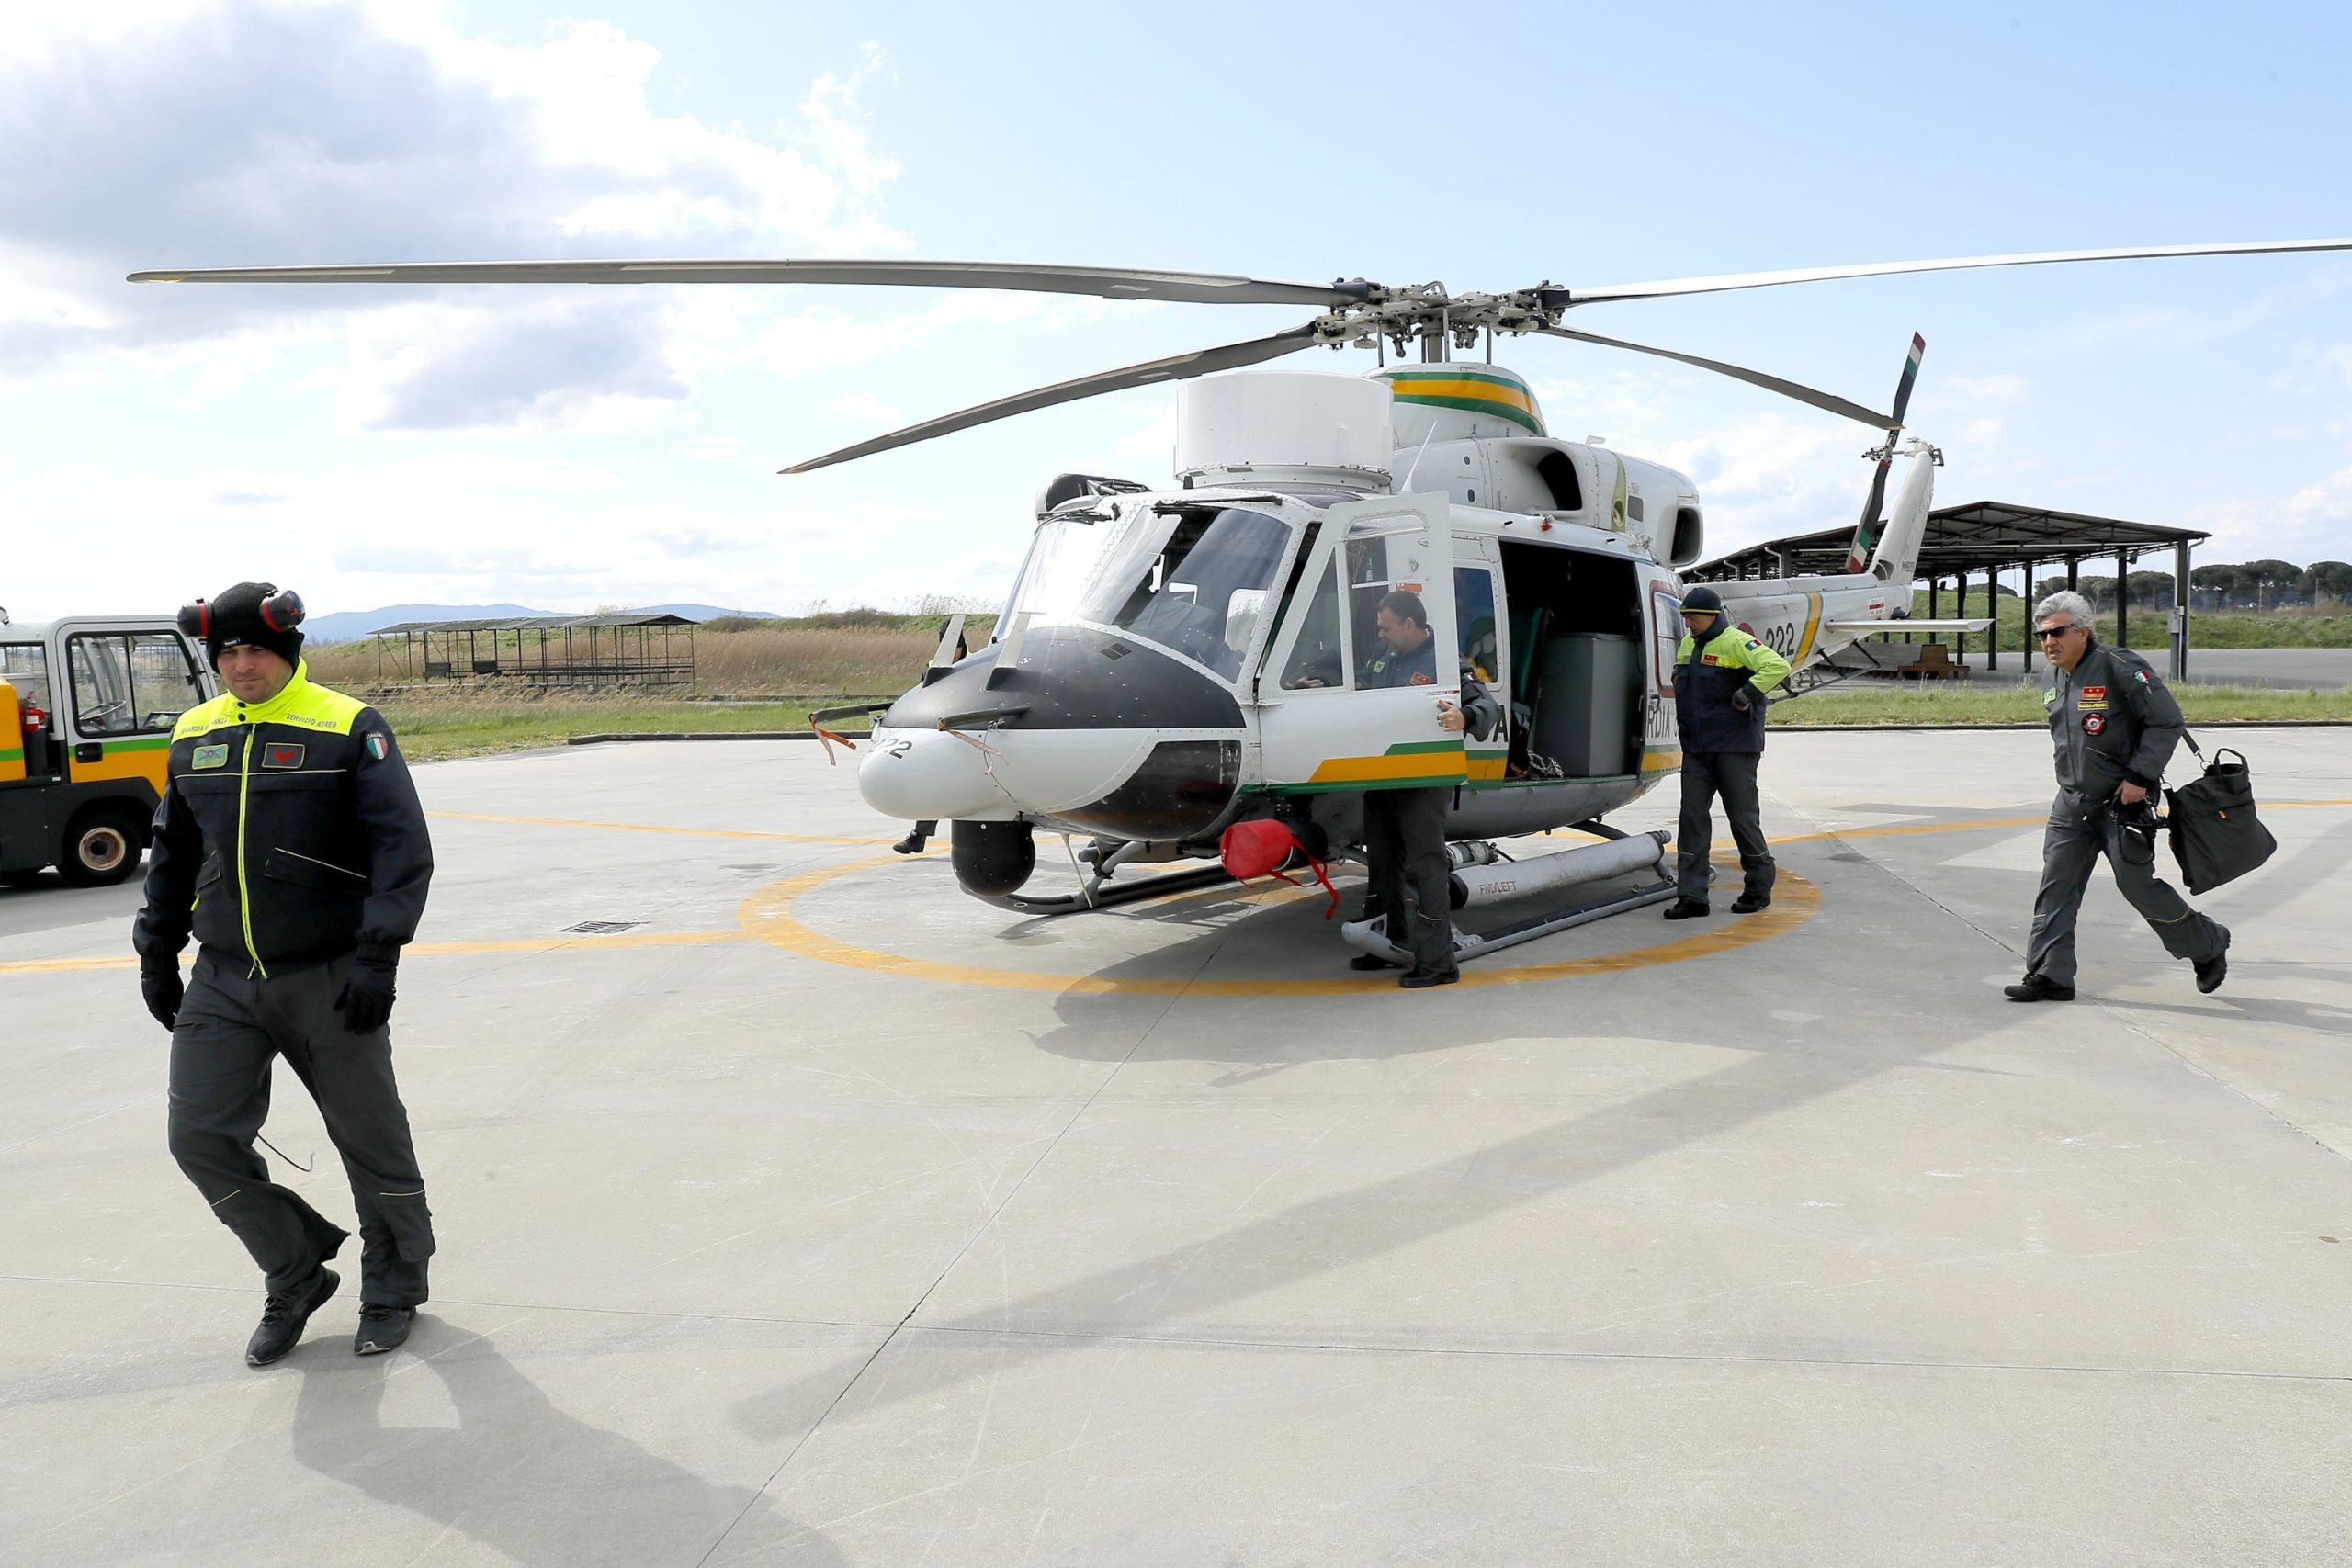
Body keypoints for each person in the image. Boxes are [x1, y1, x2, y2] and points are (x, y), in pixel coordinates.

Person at [133, 581, 437, 1365]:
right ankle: (296, 1270)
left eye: (255, 648)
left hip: (332, 974)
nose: (241, 664)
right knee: (198, 1136)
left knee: (371, 1139)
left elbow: (401, 851)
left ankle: (395, 1285)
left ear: (288, 649)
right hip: (223, 975)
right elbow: (172, 856)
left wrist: (379, 956)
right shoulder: (194, 733)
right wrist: (157, 954)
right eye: (227, 651)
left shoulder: (344, 725)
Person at [2006, 590, 2229, 1001]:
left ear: (2083, 632)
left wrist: (2141, 777)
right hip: (2072, 802)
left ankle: (2208, 943)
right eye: (2041, 636)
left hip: (2122, 803)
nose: (2048, 643)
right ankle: (2050, 975)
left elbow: (2167, 722)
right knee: (2056, 886)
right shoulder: (2052, 676)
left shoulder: (2119, 666)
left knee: (2136, 886)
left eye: (2057, 632)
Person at [1350, 591, 1499, 989]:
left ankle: (1438, 963)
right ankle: (1386, 943)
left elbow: (1487, 706)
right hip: (1381, 777)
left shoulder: (1445, 663)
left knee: (1425, 865)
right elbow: (1362, 688)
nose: (1379, 634)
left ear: (1409, 625)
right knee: (1380, 861)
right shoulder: (1382, 658)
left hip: (1423, 781)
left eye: (1385, 627)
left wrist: (1463, 716)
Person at [1665, 584, 1792, 919]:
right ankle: (1692, 897)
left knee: (1742, 819)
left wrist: (1746, 694)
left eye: (1691, 616)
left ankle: (1758, 887)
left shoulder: (1736, 642)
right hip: (1697, 748)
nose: (1687, 622)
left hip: (1734, 748)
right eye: (1685, 617)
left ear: (1710, 616)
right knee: (1691, 819)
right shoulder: (1689, 645)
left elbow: (1777, 667)